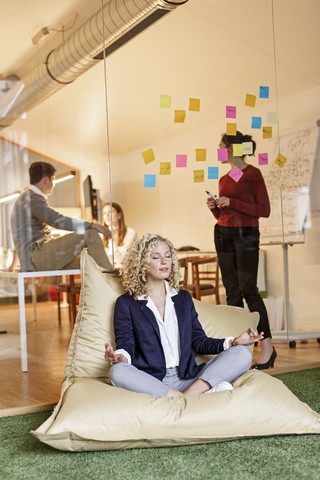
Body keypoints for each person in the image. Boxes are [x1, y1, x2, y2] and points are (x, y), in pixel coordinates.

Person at [105, 233, 263, 398]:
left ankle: (182, 398)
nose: (165, 262)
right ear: (142, 263)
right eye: (156, 257)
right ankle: (195, 398)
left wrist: (234, 342)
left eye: (168, 256)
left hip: (188, 378)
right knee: (117, 371)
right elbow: (126, 344)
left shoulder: (183, 298)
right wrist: (119, 357)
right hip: (152, 381)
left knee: (242, 353)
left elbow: (199, 342)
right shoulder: (126, 303)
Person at [207, 130, 276, 370]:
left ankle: (267, 347)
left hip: (246, 234)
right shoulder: (226, 178)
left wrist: (231, 202)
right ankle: (238, 352)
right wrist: (215, 208)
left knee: (249, 290)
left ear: (233, 149)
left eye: (221, 145)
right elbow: (225, 213)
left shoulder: (253, 174)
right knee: (232, 293)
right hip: (223, 234)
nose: (218, 149)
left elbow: (263, 209)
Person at [10, 161, 112, 272]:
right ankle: (114, 283)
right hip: (37, 258)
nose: (54, 184)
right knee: (90, 233)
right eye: (53, 180)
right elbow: (58, 220)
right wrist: (92, 224)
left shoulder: (27, 198)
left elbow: (21, 237)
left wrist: (13, 265)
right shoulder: (32, 199)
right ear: (46, 180)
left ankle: (107, 284)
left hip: (34, 259)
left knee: (88, 264)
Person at [102, 202, 137, 268]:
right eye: (104, 213)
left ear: (119, 215)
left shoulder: (131, 233)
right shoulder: (101, 235)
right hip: (105, 272)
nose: (107, 215)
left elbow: (120, 260)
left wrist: (110, 238)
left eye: (110, 212)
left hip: (124, 273)